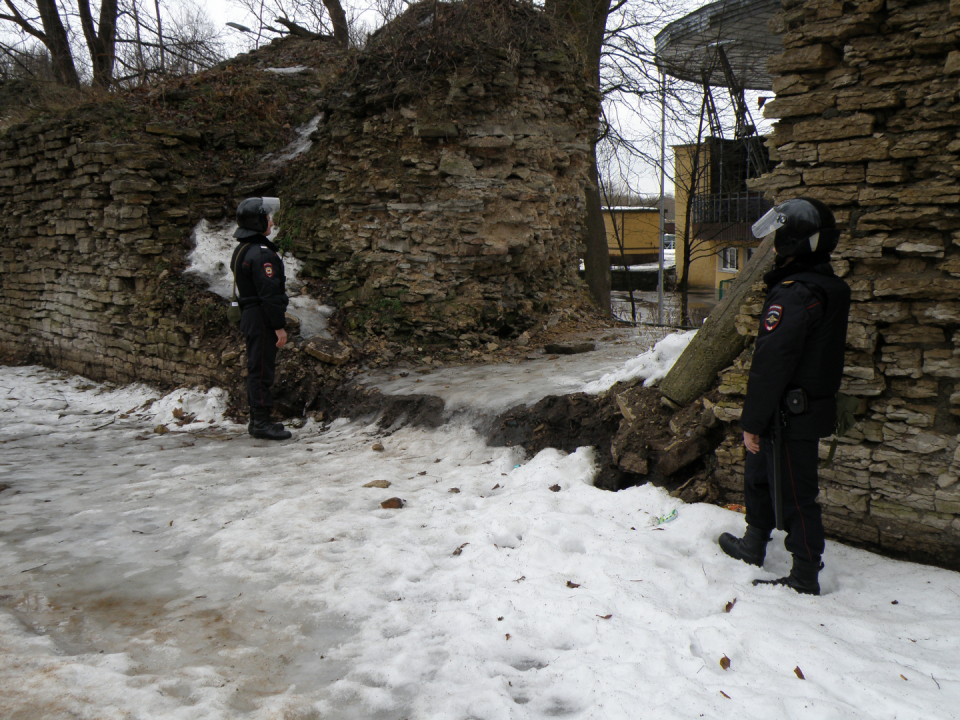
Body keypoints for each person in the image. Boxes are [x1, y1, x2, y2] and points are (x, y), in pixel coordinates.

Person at [718, 198, 850, 596]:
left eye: (779, 237)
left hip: (792, 411)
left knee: (796, 495)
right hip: (790, 408)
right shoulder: (824, 285)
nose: (775, 245)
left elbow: (772, 362)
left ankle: (805, 573)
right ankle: (754, 542)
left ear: (795, 242)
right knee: (760, 475)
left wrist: (751, 422)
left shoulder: (795, 293)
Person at [230, 197, 292, 441]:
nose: (272, 222)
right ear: (257, 221)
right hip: (261, 316)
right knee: (261, 369)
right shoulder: (262, 254)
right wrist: (279, 326)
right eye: (267, 218)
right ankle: (260, 422)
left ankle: (261, 419)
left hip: (252, 314)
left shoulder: (244, 248)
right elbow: (269, 294)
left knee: (259, 367)